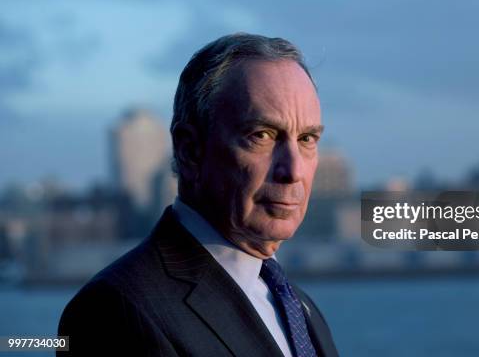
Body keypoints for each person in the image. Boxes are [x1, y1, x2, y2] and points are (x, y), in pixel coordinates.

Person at [58, 33, 339, 357]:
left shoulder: (300, 308)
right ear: (190, 150)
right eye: (262, 135)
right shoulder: (114, 310)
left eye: (306, 139)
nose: (293, 170)